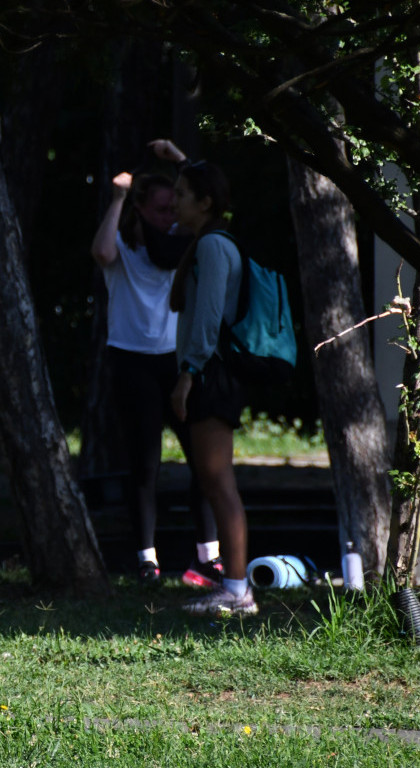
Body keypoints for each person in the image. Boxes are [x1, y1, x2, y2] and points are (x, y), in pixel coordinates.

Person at [88, 146, 222, 588]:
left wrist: (182, 158)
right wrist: (118, 198)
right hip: (131, 363)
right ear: (142, 208)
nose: (170, 215)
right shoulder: (126, 247)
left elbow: (205, 201)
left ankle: (208, 557)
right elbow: (101, 252)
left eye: (173, 207)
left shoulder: (184, 247)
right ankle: (147, 559)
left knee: (201, 459)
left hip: (176, 363)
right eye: (161, 209)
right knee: (144, 465)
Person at [167, 157, 256, 617]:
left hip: (211, 374)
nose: (174, 202)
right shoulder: (206, 243)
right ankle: (234, 586)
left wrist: (187, 375)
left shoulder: (213, 248)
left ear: (204, 202)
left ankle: (237, 590)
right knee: (212, 480)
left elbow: (206, 321)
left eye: (182, 194)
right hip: (209, 371)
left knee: (219, 483)